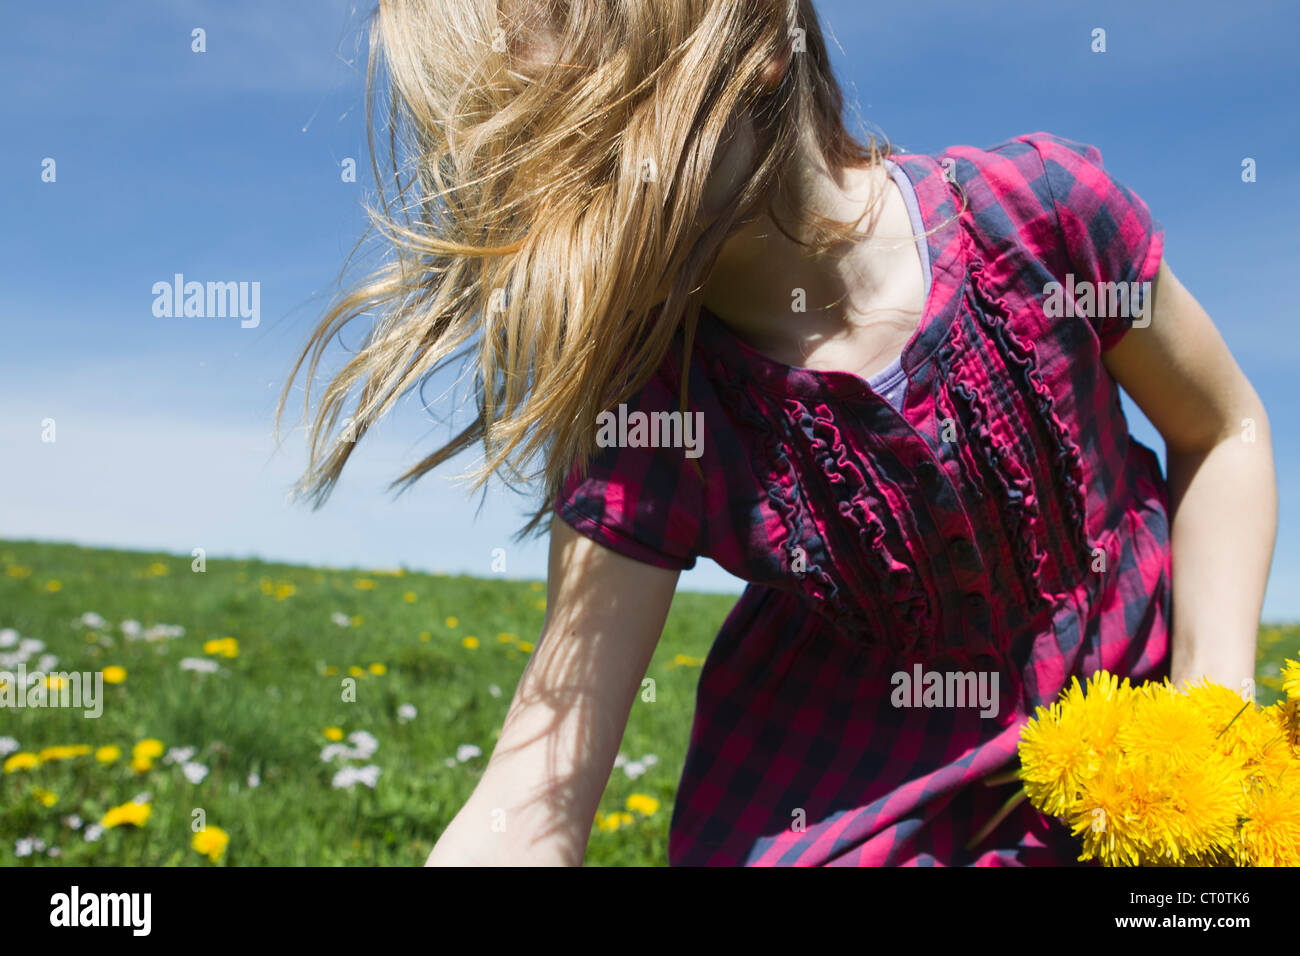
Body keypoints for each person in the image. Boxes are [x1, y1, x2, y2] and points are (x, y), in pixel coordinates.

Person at [281, 0, 1276, 865]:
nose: (541, 226)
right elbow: (535, 786)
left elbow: (1223, 428)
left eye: (586, 144)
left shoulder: (1042, 220)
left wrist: (1210, 696)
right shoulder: (654, 413)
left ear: (756, 37)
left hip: (1141, 723)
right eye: (511, 171)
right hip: (858, 804)